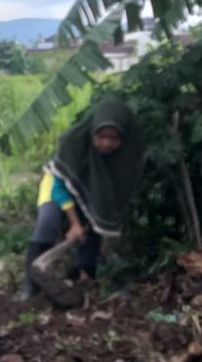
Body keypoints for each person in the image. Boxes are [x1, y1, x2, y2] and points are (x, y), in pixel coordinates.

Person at [24, 96, 145, 298]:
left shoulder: (127, 157)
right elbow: (59, 186)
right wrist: (74, 223)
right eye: (101, 136)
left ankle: (83, 279)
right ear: (92, 132)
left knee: (91, 230)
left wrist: (95, 226)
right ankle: (30, 287)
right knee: (48, 223)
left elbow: (110, 199)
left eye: (114, 138)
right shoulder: (73, 143)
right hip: (57, 184)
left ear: (122, 139)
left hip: (91, 193)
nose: (106, 143)